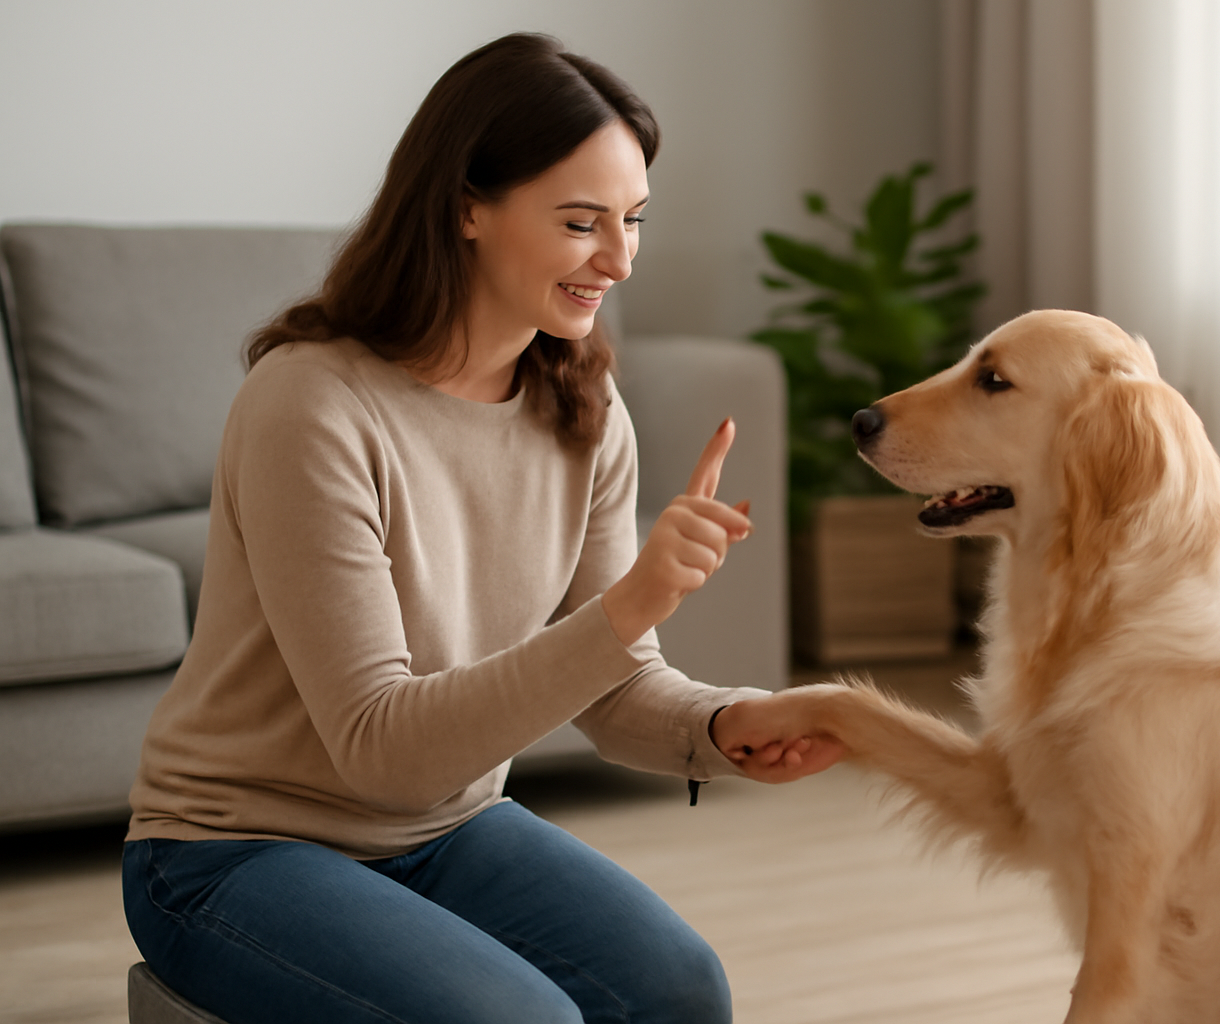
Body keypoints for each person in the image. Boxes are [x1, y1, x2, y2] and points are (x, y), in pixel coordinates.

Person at [121, 33, 842, 1024]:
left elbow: (618, 684)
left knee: (683, 989)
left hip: (447, 827)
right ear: (467, 205)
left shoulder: (583, 409)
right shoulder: (312, 405)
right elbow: (381, 746)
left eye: (634, 220)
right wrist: (635, 600)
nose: (621, 259)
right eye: (582, 222)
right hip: (232, 848)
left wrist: (724, 727)